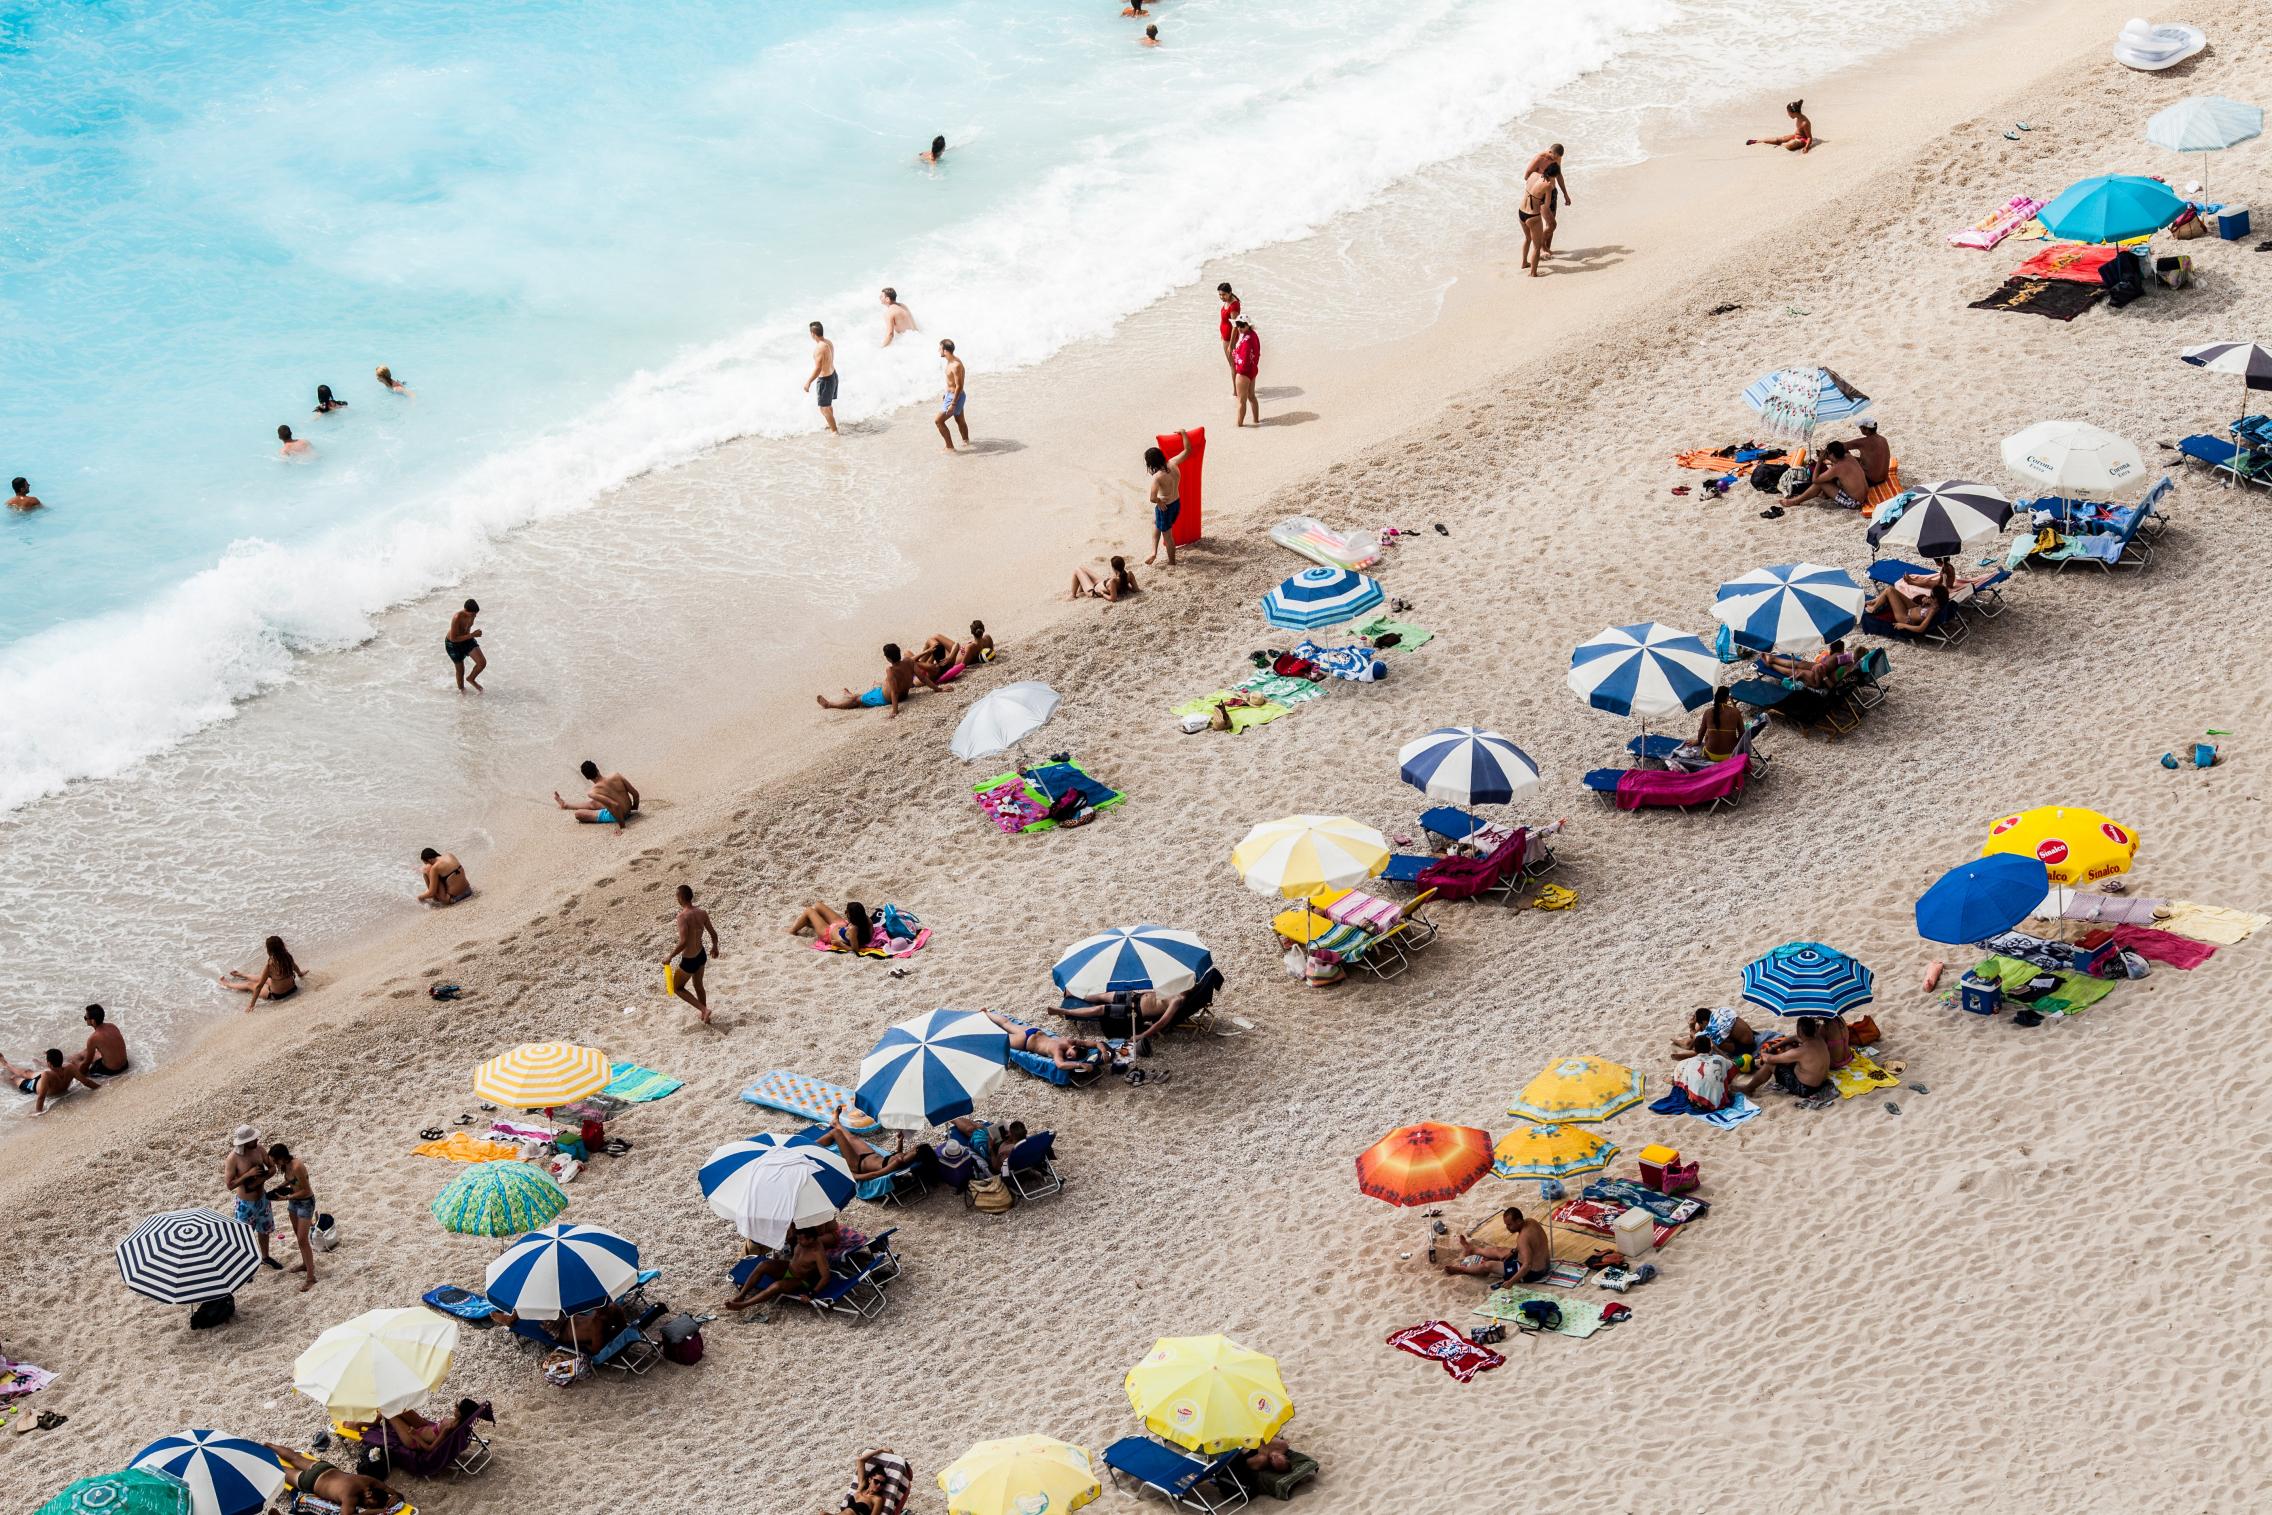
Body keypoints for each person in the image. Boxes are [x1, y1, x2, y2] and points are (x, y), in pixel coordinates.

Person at [1060, 975, 1214, 1056]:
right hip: (1133, 996)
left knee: (1101, 1009)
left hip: (1133, 1011)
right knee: (1102, 995)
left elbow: (1161, 1023)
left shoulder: (1177, 1000)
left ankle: (1067, 1011)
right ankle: (1071, 993)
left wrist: (1140, 1036)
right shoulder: (1173, 986)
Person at [815, 642, 942, 717]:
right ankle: (851, 694)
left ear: (888, 658)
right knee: (876, 687)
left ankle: (829, 705)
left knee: (857, 700)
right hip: (902, 694)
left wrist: (895, 711)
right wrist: (937, 689)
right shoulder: (908, 661)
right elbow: (923, 678)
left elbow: (894, 692)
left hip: (884, 698)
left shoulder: (891, 670)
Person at [268, 1446, 403, 1515]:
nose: (366, 1507)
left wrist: (396, 1495)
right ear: (369, 1494)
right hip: (311, 1481)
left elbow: (389, 1490)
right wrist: (379, 1511)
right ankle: (266, 1462)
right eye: (369, 1504)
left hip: (324, 1467)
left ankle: (269, 1446)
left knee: (294, 1457)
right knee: (281, 1470)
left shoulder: (368, 1481)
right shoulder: (351, 1497)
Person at [814, 1107, 933, 1179]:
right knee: (853, 1138)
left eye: (916, 1147)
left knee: (836, 1134)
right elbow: (897, 1155)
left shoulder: (898, 1162)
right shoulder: (903, 1158)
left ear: (917, 1152)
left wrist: (854, 1176)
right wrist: (900, 1142)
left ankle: (808, 1147)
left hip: (858, 1164)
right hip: (870, 1155)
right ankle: (836, 1122)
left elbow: (877, 1174)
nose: (913, 1146)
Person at [1441, 1204, 1550, 1283]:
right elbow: (1528, 1245)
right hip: (1544, 1264)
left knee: (1489, 1265)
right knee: (1500, 1250)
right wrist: (1513, 1252)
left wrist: (1510, 1282)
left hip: (1533, 1272)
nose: (1507, 1228)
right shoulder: (1531, 1222)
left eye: (1509, 1225)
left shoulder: (1522, 1239)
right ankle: (1473, 1249)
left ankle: (1462, 1269)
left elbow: (1527, 1265)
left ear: (1519, 1221)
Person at [982, 1010, 1116, 1072]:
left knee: (1007, 1024)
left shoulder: (1068, 1042)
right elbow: (1060, 1065)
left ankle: (986, 1013)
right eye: (1071, 1054)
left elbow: (1095, 1043)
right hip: (1026, 1041)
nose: (1068, 1056)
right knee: (1000, 1037)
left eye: (1069, 1057)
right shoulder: (1058, 1050)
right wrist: (1080, 1065)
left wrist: (1103, 1050)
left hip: (1033, 1032)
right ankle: (981, 1026)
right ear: (1074, 1047)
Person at [224, 1125, 281, 1268]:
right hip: (245, 1204)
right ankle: (246, 1264)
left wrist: (261, 1179)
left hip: (262, 1199)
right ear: (244, 1142)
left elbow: (272, 1167)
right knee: (244, 1236)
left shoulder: (259, 1149)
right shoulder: (233, 1158)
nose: (257, 1139)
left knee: (264, 1230)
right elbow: (230, 1185)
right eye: (253, 1139)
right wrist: (248, 1175)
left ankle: (265, 1257)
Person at [267, 1141, 320, 1291]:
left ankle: (311, 1277)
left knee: (303, 1239)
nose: (275, 1164)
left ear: (281, 1158)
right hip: (294, 1202)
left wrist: (286, 1198)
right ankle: (305, 1264)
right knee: (298, 1235)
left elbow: (306, 1190)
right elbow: (291, 1181)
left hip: (305, 1203)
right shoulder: (287, 1166)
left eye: (275, 1161)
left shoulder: (297, 1166)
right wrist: (281, 1187)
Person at [666, 883, 719, 1023]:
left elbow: (683, 942)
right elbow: (713, 934)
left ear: (681, 898)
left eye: (677, 896)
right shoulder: (702, 913)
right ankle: (705, 1017)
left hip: (689, 960)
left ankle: (704, 1010)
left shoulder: (682, 917)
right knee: (698, 985)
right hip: (701, 955)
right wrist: (714, 947)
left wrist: (669, 957)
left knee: (677, 987)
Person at [3, 1049, 99, 1114]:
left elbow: (41, 1097)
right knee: (27, 1072)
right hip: (45, 1079)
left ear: (49, 1064)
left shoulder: (46, 1075)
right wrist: (98, 1087)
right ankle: (7, 1065)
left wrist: (38, 1112)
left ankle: (6, 1066)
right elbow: (86, 1082)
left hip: (33, 1085)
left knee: (14, 1079)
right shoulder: (70, 1068)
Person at [220, 936, 303, 1009]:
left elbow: (259, 986)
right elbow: (296, 968)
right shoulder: (288, 957)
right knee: (264, 978)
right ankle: (242, 974)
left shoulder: (270, 965)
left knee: (250, 984)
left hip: (277, 995)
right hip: (293, 989)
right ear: (282, 945)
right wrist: (300, 974)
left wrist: (251, 1005)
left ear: (269, 950)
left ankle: (227, 984)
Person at [1760, 1016, 1833, 1098]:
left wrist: (1763, 1053)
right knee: (1788, 1046)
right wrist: (1774, 1047)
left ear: (1800, 1032)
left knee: (1769, 1065)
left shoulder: (1800, 1052)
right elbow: (1795, 1038)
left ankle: (1748, 1088)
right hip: (1822, 1083)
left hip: (1806, 1089)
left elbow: (1769, 1059)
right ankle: (1786, 1061)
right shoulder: (1819, 1039)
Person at [555, 759, 640, 830]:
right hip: (628, 810)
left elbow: (615, 805)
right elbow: (635, 794)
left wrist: (622, 826)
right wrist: (633, 808)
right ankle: (565, 805)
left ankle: (566, 805)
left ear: (587, 778)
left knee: (578, 814)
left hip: (619, 816)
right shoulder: (616, 776)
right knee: (593, 803)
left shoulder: (593, 792)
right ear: (597, 768)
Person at [1784, 440, 1868, 510]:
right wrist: (1827, 457)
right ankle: (1824, 494)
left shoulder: (1837, 468)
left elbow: (1815, 480)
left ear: (1832, 454)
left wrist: (1820, 460)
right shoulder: (1849, 457)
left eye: (1828, 453)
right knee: (1835, 480)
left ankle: (1795, 501)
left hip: (1854, 502)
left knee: (1821, 483)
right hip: (1864, 496)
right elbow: (1837, 463)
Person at [384, 1399, 487, 1453]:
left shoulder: (449, 1428)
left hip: (414, 1440)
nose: (455, 1408)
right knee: (400, 1408)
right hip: (423, 1427)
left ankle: (376, 1420)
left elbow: (430, 1448)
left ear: (462, 1414)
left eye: (457, 1408)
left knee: (390, 1415)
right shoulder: (457, 1422)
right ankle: (380, 1417)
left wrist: (415, 1435)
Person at [1147, 430, 1187, 564]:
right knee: (1156, 523)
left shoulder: (1157, 477)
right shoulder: (1173, 463)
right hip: (1176, 503)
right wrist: (1183, 433)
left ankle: (1172, 562)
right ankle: (1153, 551)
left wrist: (1158, 501)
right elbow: (1188, 449)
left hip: (1165, 507)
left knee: (1168, 537)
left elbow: (1152, 498)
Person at [1758, 638, 1850, 691]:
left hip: (1818, 668)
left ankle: (1773, 660)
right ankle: (1772, 665)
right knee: (1795, 670)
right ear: (1842, 649)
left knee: (1797, 665)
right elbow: (1850, 659)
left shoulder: (1834, 655)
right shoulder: (1841, 655)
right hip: (1819, 670)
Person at [1518, 161, 1561, 276]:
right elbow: (1546, 206)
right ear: (1554, 175)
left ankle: (1524, 263)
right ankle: (1533, 273)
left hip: (1521, 212)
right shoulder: (1548, 185)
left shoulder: (1533, 175)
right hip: (1533, 216)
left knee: (1527, 239)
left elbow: (1529, 185)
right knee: (1537, 247)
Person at [1672, 1005, 1759, 1061]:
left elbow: (1699, 1039)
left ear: (1705, 1022)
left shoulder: (1713, 1028)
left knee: (1712, 1043)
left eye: (1700, 1023)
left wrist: (1691, 1027)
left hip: (1748, 1046)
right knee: (1705, 1032)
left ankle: (1692, 1050)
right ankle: (1688, 1043)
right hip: (1748, 1034)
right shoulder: (1720, 1010)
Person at [1683, 686, 1744, 764]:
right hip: (1730, 754)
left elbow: (1702, 731)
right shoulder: (1736, 712)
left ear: (1715, 698)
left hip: (1711, 755)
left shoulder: (1708, 712)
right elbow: (1742, 733)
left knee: (1708, 734)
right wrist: (1736, 746)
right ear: (1728, 697)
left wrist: (1698, 742)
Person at [787, 900, 873, 951]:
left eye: (847, 912)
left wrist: (841, 945)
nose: (845, 913)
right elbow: (870, 934)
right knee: (818, 905)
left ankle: (792, 931)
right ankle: (809, 922)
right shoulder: (867, 920)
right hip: (842, 926)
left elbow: (855, 949)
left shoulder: (853, 929)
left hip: (828, 934)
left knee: (809, 910)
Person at [934, 338, 968, 452]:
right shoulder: (950, 360)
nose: (938, 350)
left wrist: (953, 403)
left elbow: (959, 386)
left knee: (938, 421)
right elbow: (951, 381)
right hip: (952, 395)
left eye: (940, 348)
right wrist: (946, 392)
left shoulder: (955, 365)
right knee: (960, 420)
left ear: (945, 351)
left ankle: (949, 447)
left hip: (955, 397)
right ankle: (966, 441)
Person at [805, 321, 839, 435]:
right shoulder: (828, 342)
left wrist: (808, 382)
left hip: (825, 380)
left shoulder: (820, 348)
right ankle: (830, 424)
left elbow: (818, 368)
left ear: (813, 334)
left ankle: (834, 431)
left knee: (823, 408)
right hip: (833, 375)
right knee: (828, 405)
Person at [444, 598, 485, 692]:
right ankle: (462, 693)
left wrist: (474, 634)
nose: (474, 616)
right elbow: (454, 638)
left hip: (467, 640)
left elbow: (467, 629)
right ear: (466, 610)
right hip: (453, 645)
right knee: (460, 671)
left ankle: (471, 679)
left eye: (476, 614)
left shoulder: (472, 614)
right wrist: (473, 635)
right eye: (473, 614)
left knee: (482, 663)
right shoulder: (457, 617)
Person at [79, 1004, 129, 1078]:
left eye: (86, 1017)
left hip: (112, 1071)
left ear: (93, 1021)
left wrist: (79, 1074)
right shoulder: (112, 1026)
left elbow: (87, 1062)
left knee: (88, 1070)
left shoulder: (93, 1038)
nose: (85, 1019)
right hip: (125, 1065)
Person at [1748, 100, 1814, 153]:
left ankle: (1780, 145)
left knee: (1790, 145)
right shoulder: (1799, 117)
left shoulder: (1805, 123)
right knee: (1779, 139)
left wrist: (1806, 148)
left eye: (1788, 113)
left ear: (1794, 113)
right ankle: (1757, 141)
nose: (1788, 115)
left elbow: (1809, 138)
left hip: (1802, 140)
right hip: (1796, 136)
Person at [1230, 317, 1262, 427]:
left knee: (1241, 401)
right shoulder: (1253, 335)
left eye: (1242, 325)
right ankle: (1256, 420)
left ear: (1247, 325)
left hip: (1244, 372)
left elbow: (1244, 359)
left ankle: (1239, 425)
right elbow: (1257, 353)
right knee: (1252, 396)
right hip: (1252, 370)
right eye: (1238, 325)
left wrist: (1236, 358)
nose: (1239, 328)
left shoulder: (1247, 340)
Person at [1069, 555, 1138, 602]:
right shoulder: (1129, 574)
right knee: (1082, 568)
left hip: (1093, 591)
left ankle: (1073, 595)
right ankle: (1079, 592)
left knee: (1077, 569)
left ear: (1113, 568)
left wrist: (1102, 594)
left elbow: (1113, 599)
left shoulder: (1113, 581)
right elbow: (1136, 589)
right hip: (1102, 583)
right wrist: (1126, 586)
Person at [1847, 419, 1891, 488]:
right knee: (1851, 458)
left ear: (1866, 430)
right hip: (1884, 478)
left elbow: (1842, 446)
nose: (1860, 429)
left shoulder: (1863, 442)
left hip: (1871, 481)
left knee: (1844, 456)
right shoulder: (1883, 439)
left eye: (1860, 427)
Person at [1215, 283, 1241, 392]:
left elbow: (1235, 326)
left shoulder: (1233, 306)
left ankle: (1236, 390)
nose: (1221, 297)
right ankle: (1238, 387)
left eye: (1224, 295)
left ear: (1230, 292)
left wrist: (1231, 344)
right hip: (1225, 336)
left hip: (1230, 339)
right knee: (1233, 364)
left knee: (1232, 365)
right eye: (1220, 295)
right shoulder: (1227, 301)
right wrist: (1222, 333)